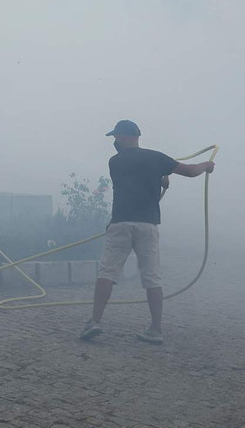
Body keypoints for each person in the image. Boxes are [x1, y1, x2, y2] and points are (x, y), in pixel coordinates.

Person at [79, 119, 214, 345]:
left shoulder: (115, 161)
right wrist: (205, 166)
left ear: (124, 137)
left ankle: (94, 321)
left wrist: (159, 179)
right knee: (152, 277)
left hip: (120, 223)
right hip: (147, 225)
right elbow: (190, 172)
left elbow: (133, 181)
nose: (114, 141)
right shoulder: (156, 158)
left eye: (116, 137)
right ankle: (155, 329)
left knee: (107, 273)